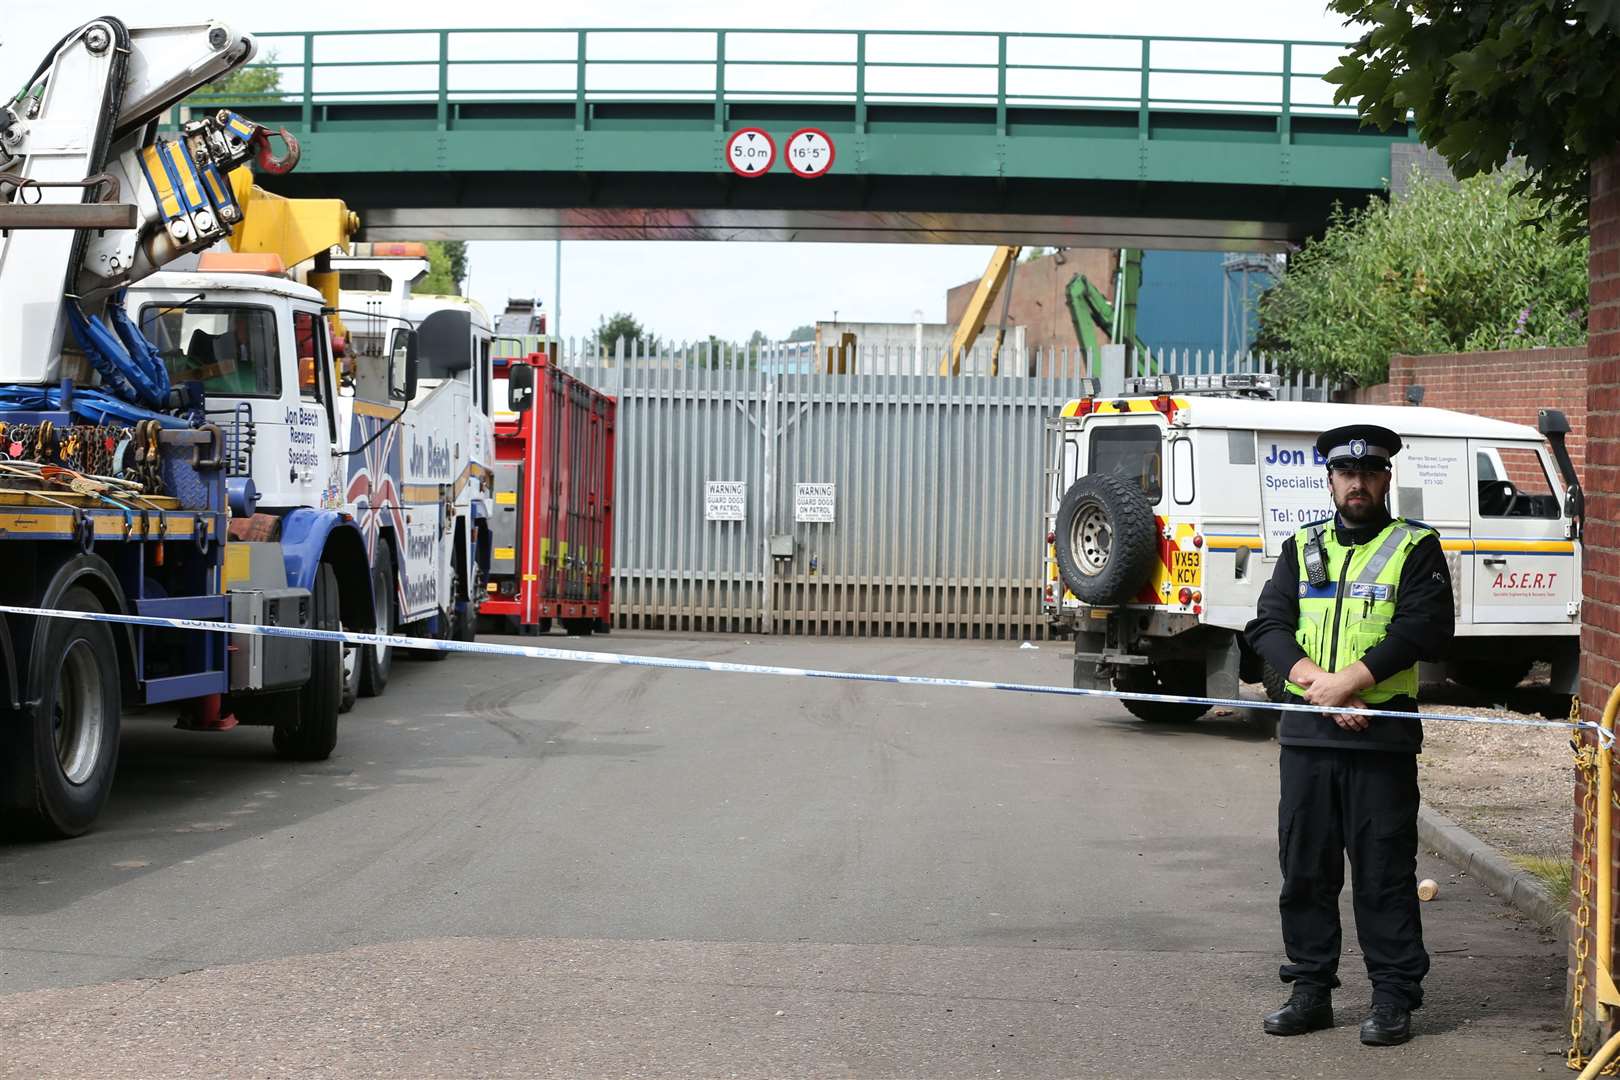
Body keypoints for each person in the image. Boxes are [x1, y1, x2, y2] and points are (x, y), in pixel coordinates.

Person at [1243, 422, 1455, 1047]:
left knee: (1384, 873)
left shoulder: (1415, 547)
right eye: (1345, 474)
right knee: (1304, 870)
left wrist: (1354, 681)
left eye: (1369, 473)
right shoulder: (1301, 547)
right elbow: (1268, 626)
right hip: (1310, 739)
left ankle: (1392, 997)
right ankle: (1310, 990)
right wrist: (1322, 685)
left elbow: (1425, 629)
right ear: (1330, 479)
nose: (1357, 483)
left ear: (1386, 478)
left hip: (1380, 740)